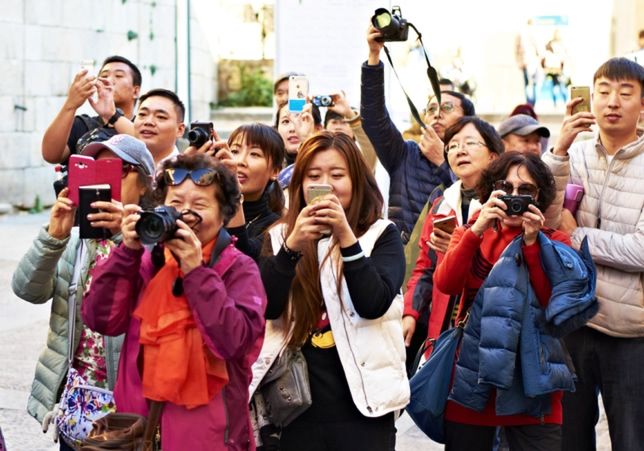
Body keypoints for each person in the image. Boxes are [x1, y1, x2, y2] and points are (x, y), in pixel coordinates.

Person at [81, 154, 267, 450]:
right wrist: (126, 252)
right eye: (175, 204)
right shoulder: (143, 262)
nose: (184, 215)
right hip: (137, 433)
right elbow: (100, 319)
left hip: (209, 439)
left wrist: (197, 272)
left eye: (200, 206)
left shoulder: (238, 269)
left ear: (224, 216)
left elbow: (235, 343)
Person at [252, 132, 409, 450]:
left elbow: (372, 302)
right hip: (294, 407)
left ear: (357, 181)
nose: (327, 184)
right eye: (314, 176)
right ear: (299, 185)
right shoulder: (281, 236)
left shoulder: (382, 235)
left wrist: (346, 237)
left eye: (337, 175)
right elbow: (267, 306)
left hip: (365, 407)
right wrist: (293, 246)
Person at [434, 151, 594, 451]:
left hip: (534, 386)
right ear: (490, 191)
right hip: (474, 380)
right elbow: (447, 283)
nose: (513, 197)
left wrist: (533, 244)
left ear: (540, 197)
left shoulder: (555, 241)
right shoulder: (470, 233)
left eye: (525, 191)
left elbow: (555, 306)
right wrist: (477, 230)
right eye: (504, 188)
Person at [11, 134, 155, 450]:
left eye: (118, 169)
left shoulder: (155, 242)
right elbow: (27, 290)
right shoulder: (78, 241)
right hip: (77, 398)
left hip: (129, 404)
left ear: (145, 183)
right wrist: (53, 237)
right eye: (96, 170)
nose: (107, 179)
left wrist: (124, 236)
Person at [542, 57, 644, 451]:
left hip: (631, 333)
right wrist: (559, 150)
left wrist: (579, 235)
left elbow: (640, 249)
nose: (611, 102)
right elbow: (548, 223)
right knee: (567, 439)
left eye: (624, 93)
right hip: (572, 324)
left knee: (632, 439)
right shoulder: (576, 155)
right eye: (602, 92)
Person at [403, 117, 504, 371]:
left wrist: (459, 248)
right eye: (453, 145)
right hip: (444, 324)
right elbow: (425, 267)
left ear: (493, 156)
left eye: (470, 143)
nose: (460, 150)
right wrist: (410, 313)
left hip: (489, 324)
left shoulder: (503, 204)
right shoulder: (441, 204)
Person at [362, 24, 476, 243]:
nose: (437, 114)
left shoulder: (478, 157)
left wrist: (444, 163)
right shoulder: (406, 153)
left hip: (453, 257)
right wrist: (374, 56)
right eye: (431, 109)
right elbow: (374, 119)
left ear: (467, 120)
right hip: (407, 261)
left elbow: (473, 202)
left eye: (447, 108)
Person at [42, 55, 142, 164]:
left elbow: (148, 150)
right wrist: (70, 105)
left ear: (136, 91)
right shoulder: (83, 124)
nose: (108, 79)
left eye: (118, 75)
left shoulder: (144, 126)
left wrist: (112, 116)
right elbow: (51, 156)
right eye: (104, 75)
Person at [225, 123, 286, 261]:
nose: (240, 161)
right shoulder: (209, 212)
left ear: (275, 171)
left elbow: (241, 257)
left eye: (254, 154)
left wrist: (233, 192)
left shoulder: (278, 227)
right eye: (234, 151)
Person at [275, 101, 322, 189]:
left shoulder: (328, 163)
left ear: (318, 129)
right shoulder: (268, 167)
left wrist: (307, 140)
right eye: (285, 121)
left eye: (303, 120)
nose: (293, 128)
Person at [134, 88, 186, 164]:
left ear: (180, 129)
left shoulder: (191, 173)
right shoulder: (122, 168)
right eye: (142, 114)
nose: (148, 122)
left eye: (161, 117)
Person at [515, 19, 540, 106]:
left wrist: (519, 61)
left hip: (525, 62)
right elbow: (538, 49)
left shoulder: (521, 34)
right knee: (533, 84)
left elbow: (516, 49)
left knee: (528, 84)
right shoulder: (533, 33)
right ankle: (532, 103)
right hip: (531, 62)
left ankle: (530, 103)